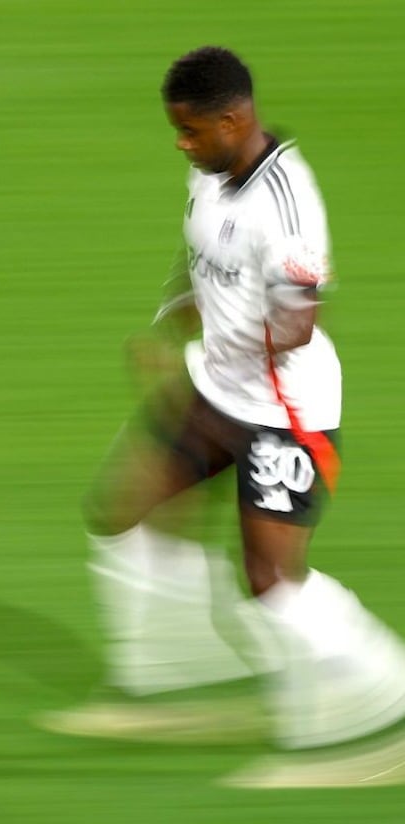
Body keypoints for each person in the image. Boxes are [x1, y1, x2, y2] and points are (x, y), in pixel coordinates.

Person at [41, 46, 405, 755]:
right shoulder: (210, 171)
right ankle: (181, 679)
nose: (180, 142)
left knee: (272, 582)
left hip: (283, 415)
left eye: (189, 130)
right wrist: (171, 319)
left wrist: (214, 348)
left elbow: (297, 324)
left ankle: (383, 697)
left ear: (232, 121)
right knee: (124, 518)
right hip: (215, 389)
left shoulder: (288, 203)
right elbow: (201, 255)